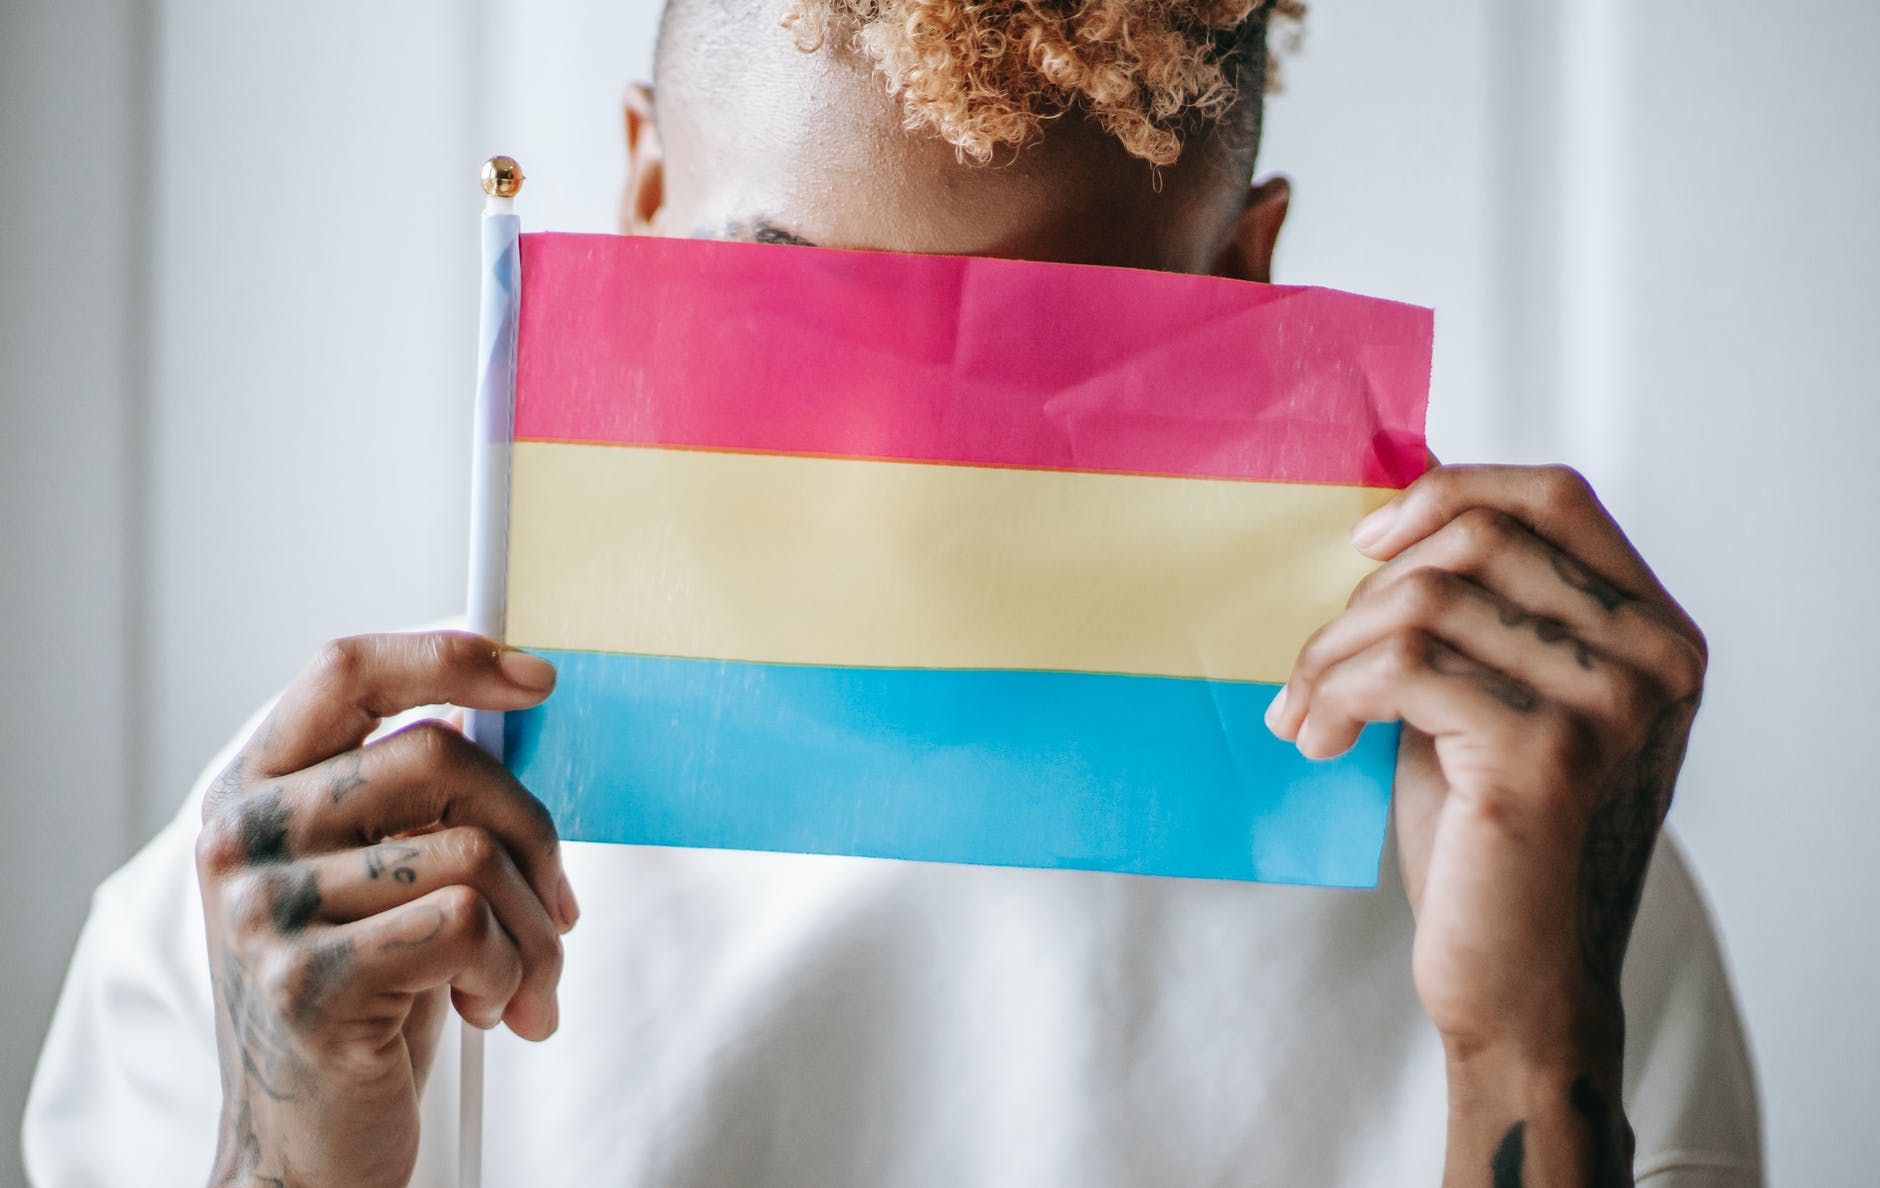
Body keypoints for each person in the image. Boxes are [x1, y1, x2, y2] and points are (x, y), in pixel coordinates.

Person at [25, 1, 1762, 1184]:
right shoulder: (296, 891)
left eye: (1035, 345)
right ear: (642, 202)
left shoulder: (1523, 865)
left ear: (1245, 283)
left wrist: (1534, 1054)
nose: (887, 474)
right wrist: (284, 1136)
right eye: (790, 306)